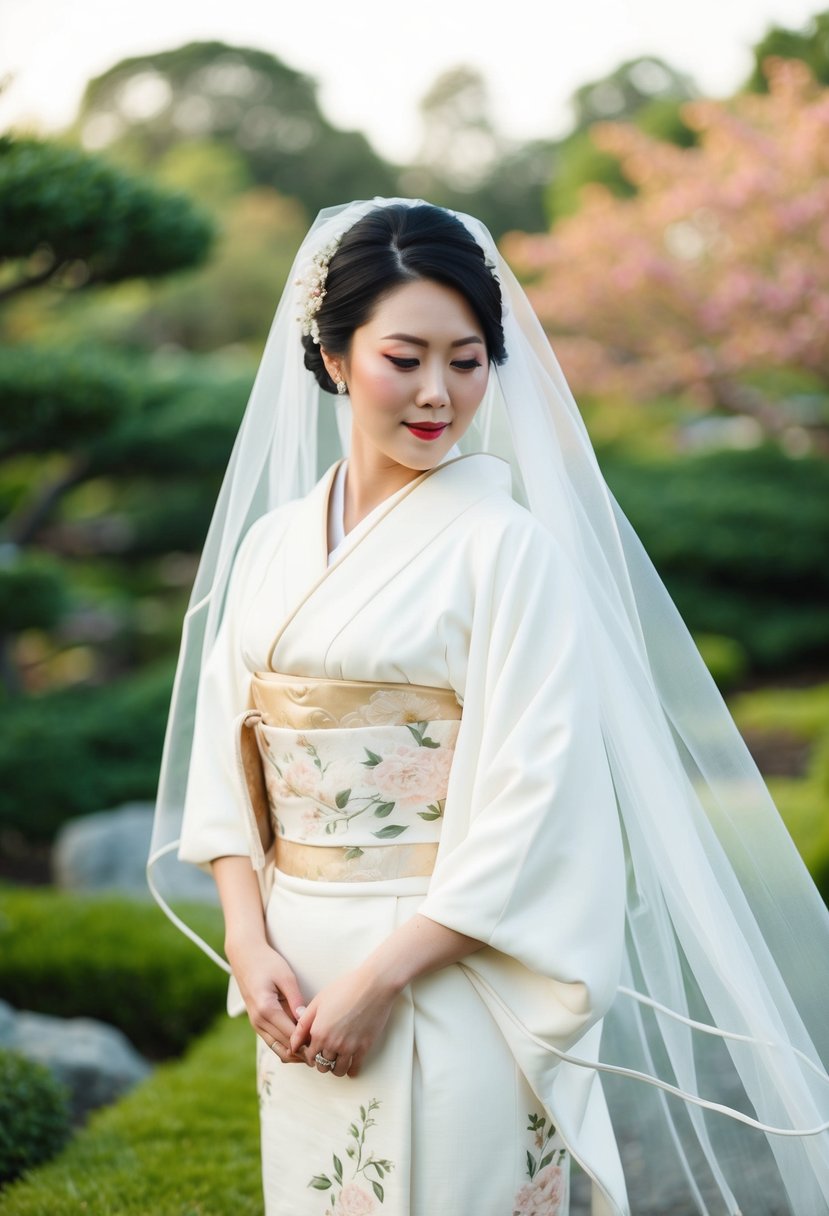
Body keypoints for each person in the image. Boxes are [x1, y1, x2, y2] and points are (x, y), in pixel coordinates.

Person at [149, 199, 829, 1216]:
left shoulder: (507, 548)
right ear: (334, 357)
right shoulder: (270, 544)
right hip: (294, 955)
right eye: (404, 356)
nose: (438, 393)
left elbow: (532, 802)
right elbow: (225, 753)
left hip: (452, 959)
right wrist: (248, 944)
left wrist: (382, 980)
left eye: (466, 361)